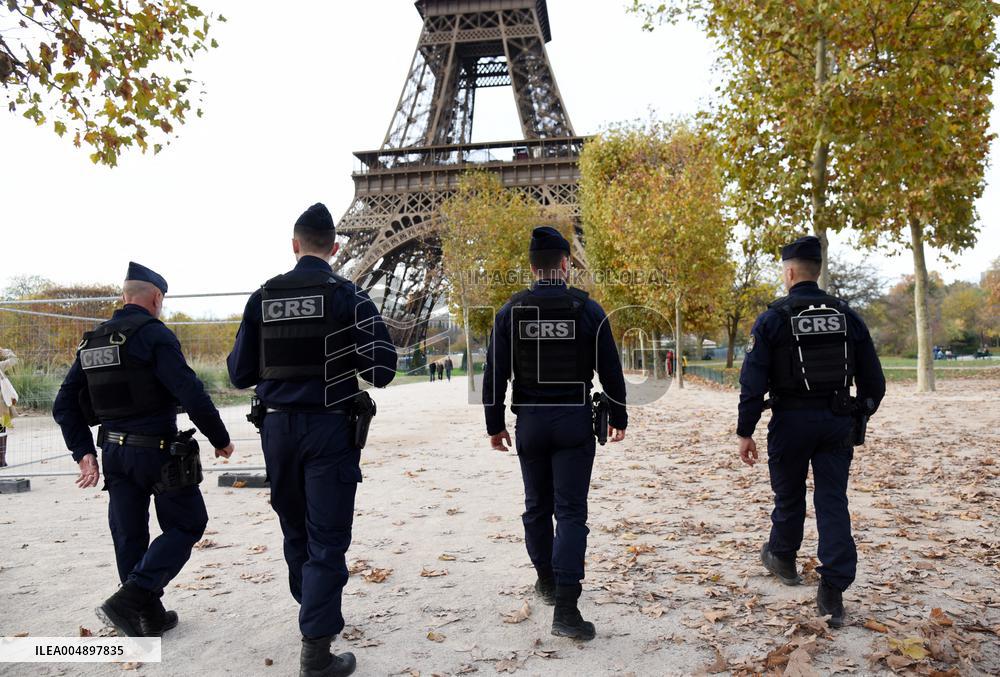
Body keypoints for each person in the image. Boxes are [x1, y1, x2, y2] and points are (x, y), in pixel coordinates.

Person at [227, 203, 397, 677]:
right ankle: (316, 648)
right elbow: (381, 371)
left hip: (277, 429)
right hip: (329, 428)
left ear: (294, 244)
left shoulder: (263, 297)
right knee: (328, 538)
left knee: (295, 527)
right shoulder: (349, 296)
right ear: (336, 248)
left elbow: (239, 373)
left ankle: (314, 612)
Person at [52, 262, 234, 637]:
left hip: (114, 454)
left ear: (124, 296)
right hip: (159, 451)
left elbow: (63, 405)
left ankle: (147, 617)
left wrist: (83, 452)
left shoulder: (94, 341)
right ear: (156, 297)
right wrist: (220, 438)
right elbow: (190, 391)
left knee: (129, 534)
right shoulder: (155, 335)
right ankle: (131, 598)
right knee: (187, 524)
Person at [483, 226, 628, 641]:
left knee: (535, 507)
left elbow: (495, 375)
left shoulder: (511, 310)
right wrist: (619, 414)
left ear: (531, 267)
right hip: (573, 419)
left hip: (529, 420)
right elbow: (611, 370)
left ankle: (545, 579)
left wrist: (494, 425)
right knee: (570, 512)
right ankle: (566, 607)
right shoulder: (587, 309)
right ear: (566, 264)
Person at [736, 236, 886, 628]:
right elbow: (875, 381)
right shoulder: (847, 316)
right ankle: (832, 592)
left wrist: (745, 430)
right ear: (816, 270)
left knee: (788, 494)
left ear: (788, 272)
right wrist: (859, 415)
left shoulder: (773, 318)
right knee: (832, 501)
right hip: (836, 420)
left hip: (790, 421)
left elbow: (752, 382)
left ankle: (783, 557)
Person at [0, 347, 18, 467]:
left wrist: (5, 352)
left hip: (2, 408)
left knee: (2, 432)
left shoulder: (0, 366)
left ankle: (1, 460)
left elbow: (14, 360)